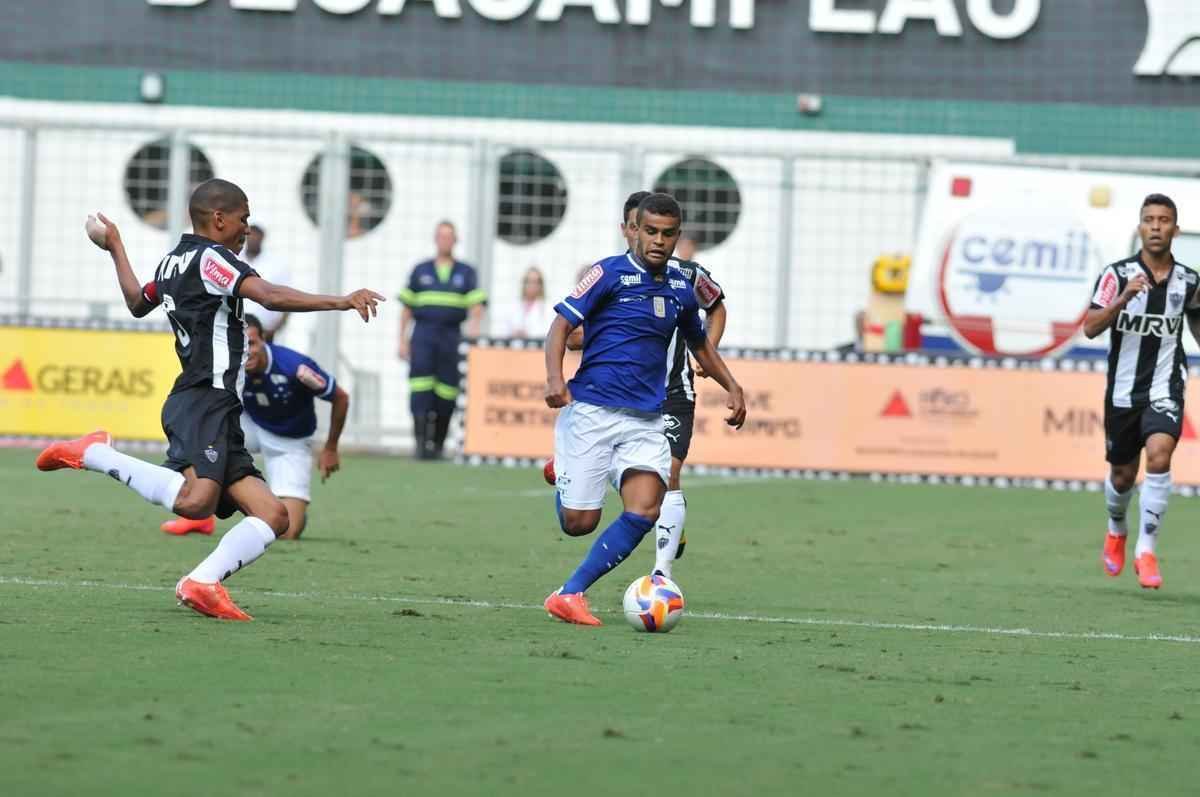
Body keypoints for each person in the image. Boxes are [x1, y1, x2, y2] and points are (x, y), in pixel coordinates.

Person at [37, 178, 383, 621]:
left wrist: (116, 247)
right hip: (204, 398)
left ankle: (201, 582)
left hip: (221, 406)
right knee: (195, 502)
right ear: (219, 219)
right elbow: (270, 296)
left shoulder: (171, 262)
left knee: (275, 515)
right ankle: (97, 453)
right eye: (244, 219)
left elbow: (136, 303)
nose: (247, 230)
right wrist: (342, 301)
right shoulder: (212, 260)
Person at [541, 193, 747, 626]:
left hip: (647, 419)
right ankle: (564, 470)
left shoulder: (681, 286)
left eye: (668, 234)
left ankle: (571, 593)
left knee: (646, 508)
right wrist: (556, 380)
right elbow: (561, 325)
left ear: (677, 236)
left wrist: (732, 385)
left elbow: (699, 342)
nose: (658, 241)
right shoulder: (607, 273)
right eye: (651, 231)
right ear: (635, 229)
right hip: (594, 412)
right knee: (579, 523)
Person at [1084, 193, 1199, 590]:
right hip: (1122, 392)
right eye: (1149, 219)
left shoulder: (1188, 280)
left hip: (1166, 385)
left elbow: (1197, 318)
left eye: (1163, 220)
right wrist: (1123, 299)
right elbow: (1090, 326)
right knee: (1122, 476)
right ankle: (1117, 529)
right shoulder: (1116, 275)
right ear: (1140, 228)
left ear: (1175, 229)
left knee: (1160, 453)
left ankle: (1146, 550)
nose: (1155, 226)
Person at [160, 314, 350, 541]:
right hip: (249, 426)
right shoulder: (230, 364)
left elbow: (341, 398)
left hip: (289, 441)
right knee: (199, 438)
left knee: (286, 531)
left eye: (251, 343)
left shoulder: (295, 368)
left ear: (265, 340)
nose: (246, 351)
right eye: (241, 344)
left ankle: (287, 508)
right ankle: (200, 514)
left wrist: (330, 448)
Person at [398, 221, 487, 459]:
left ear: (455, 240)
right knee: (420, 388)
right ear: (435, 239)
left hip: (452, 337)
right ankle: (420, 445)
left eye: (449, 237)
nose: (445, 240)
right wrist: (402, 340)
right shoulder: (420, 270)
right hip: (423, 335)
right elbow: (406, 308)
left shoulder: (466, 272)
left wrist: (474, 331)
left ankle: (437, 446)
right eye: (441, 236)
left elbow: (477, 305)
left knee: (447, 391)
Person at [240, 223, 292, 342]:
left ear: (263, 236)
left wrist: (275, 330)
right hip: (236, 331)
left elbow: (286, 300)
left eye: (257, 234)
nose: (253, 237)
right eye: (251, 233)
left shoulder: (276, 264)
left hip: (266, 335)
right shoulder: (235, 258)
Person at [502, 266, 556, 339]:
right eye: (528, 281)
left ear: (541, 285)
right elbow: (504, 331)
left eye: (535, 282)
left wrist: (528, 334)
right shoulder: (513, 306)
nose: (531, 285)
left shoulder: (548, 308)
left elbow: (550, 334)